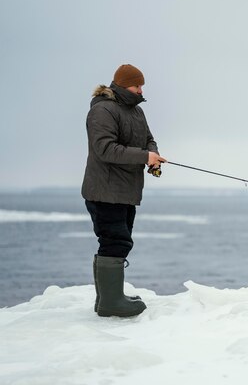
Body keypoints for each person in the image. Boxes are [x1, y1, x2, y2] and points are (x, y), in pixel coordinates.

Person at [81, 64, 166, 317]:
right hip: (105, 191)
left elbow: (149, 139)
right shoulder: (103, 110)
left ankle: (107, 298)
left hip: (125, 191)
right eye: (136, 85)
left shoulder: (136, 111)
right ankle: (110, 303)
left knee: (118, 241)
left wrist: (152, 155)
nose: (140, 90)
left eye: (142, 86)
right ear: (121, 84)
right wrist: (143, 156)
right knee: (115, 242)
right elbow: (105, 149)